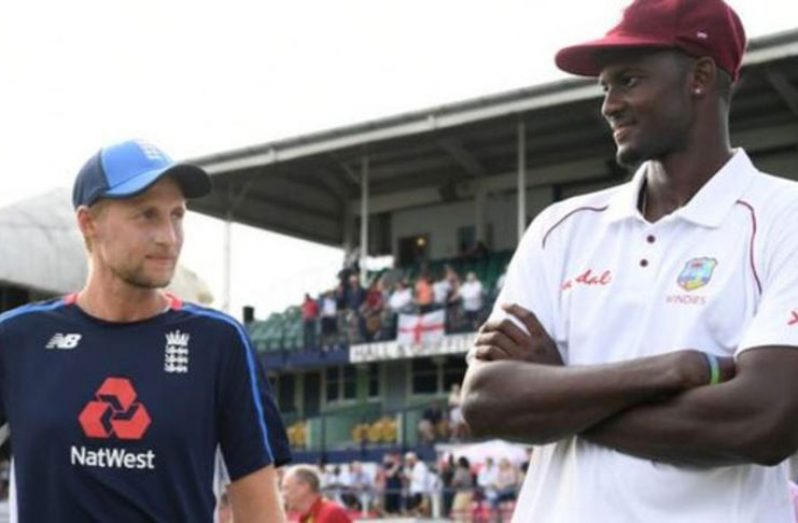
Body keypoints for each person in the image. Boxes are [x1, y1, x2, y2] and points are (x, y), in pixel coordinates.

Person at [461, 1, 798, 521]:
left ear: (701, 76)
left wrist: (562, 391)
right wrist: (667, 371)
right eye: (605, 87)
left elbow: (764, 422)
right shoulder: (562, 228)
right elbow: (486, 401)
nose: (609, 105)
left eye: (629, 80)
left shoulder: (784, 218)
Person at [0, 139, 291, 521]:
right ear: (88, 223)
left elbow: (261, 511)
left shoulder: (219, 342)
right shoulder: (18, 338)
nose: (168, 237)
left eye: (177, 215)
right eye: (146, 215)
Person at [281, 465, 352, 523]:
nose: (283, 495)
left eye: (286, 488)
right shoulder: (306, 517)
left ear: (304, 487)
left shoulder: (332, 513)